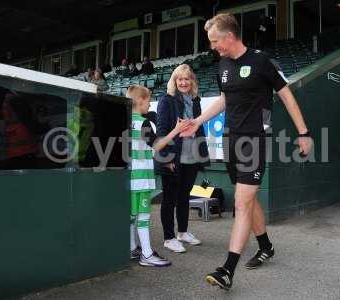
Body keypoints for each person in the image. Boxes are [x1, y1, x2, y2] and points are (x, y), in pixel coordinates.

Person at [180, 13, 313, 290]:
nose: (214, 47)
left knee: (241, 203)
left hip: (254, 141)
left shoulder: (260, 61)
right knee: (247, 199)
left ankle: (227, 269)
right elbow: (225, 99)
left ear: (230, 36)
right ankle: (265, 245)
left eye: (216, 41)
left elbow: (286, 94)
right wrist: (198, 122)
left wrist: (304, 133)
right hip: (230, 140)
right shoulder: (223, 64)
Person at [128, 85, 192, 267]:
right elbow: (157, 145)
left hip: (129, 178)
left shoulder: (123, 121)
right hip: (141, 179)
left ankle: (132, 248)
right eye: (148, 101)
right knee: (143, 217)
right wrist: (176, 130)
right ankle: (147, 255)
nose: (149, 105)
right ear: (140, 100)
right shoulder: (143, 123)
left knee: (131, 216)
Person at [156, 64, 210, 253]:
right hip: (173, 157)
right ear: (174, 81)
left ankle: (183, 232)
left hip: (192, 156)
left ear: (192, 81)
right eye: (180, 79)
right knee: (169, 198)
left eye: (187, 79)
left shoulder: (195, 101)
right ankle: (169, 238)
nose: (183, 82)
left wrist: (203, 154)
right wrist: (166, 158)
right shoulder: (166, 101)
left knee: (184, 196)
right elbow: (162, 132)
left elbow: (199, 128)